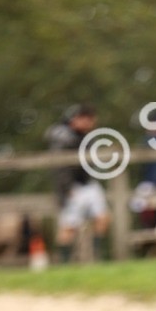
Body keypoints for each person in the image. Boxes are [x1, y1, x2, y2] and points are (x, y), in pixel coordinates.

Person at [46, 104, 109, 262]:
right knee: (68, 227)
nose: (89, 122)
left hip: (88, 183)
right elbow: (60, 166)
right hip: (72, 187)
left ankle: (95, 256)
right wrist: (66, 188)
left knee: (102, 217)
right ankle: (64, 262)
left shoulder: (87, 137)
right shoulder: (62, 136)